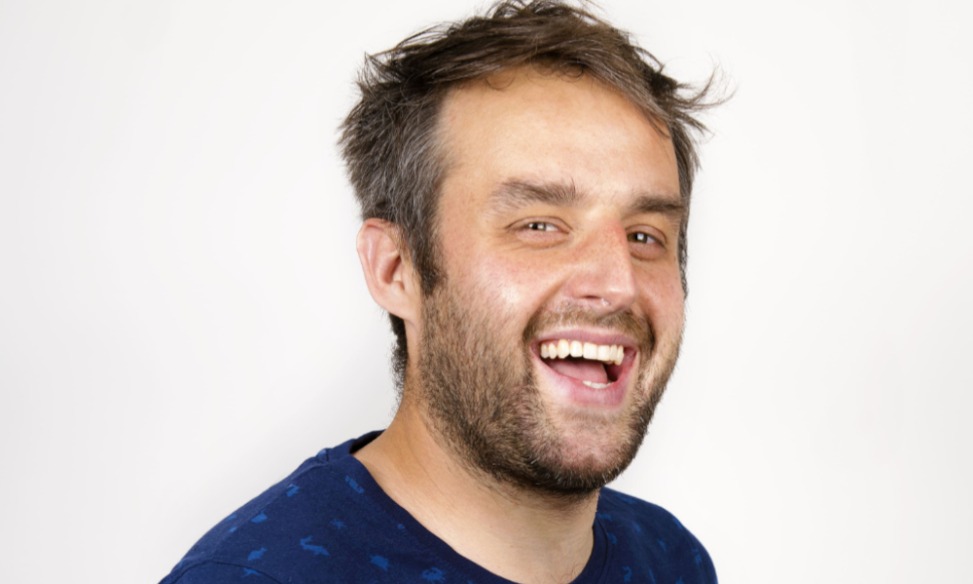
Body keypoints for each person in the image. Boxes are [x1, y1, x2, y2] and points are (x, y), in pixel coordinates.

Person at [160, 1, 718, 582]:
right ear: (395, 269)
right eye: (538, 226)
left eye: (645, 236)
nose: (618, 283)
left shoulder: (672, 559)